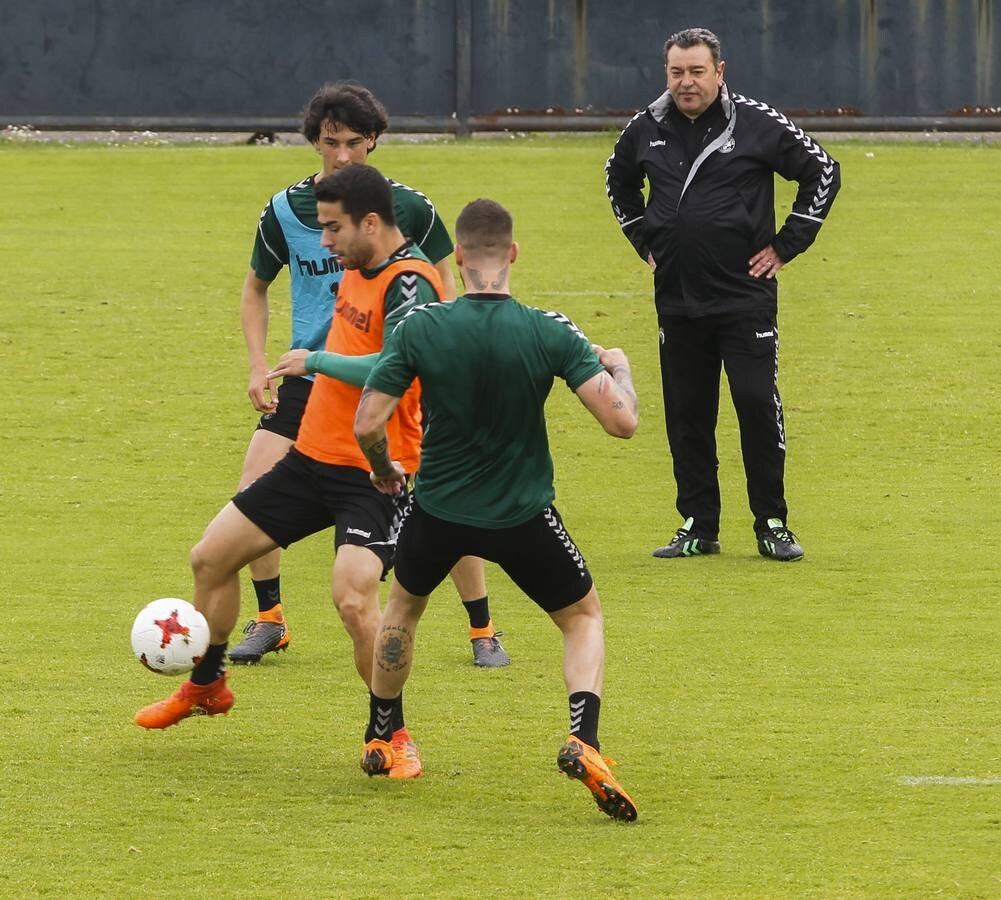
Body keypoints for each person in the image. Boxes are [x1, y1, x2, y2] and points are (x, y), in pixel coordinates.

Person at [135, 165, 470, 777]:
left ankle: (390, 733)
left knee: (352, 596)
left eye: (333, 228)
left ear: (372, 222)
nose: (324, 242)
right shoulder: (355, 264)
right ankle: (207, 685)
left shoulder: (412, 284)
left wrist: (311, 359)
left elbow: (393, 367)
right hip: (312, 459)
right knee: (210, 557)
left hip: (377, 473)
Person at [352, 198, 640, 819]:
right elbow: (623, 423)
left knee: (403, 609)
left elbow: (367, 421)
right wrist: (620, 367)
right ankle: (582, 739)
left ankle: (384, 735)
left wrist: (383, 471)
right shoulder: (549, 330)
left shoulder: (420, 327)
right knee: (583, 618)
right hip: (521, 514)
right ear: (512, 254)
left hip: (438, 509)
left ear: (457, 256)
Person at [233, 81, 507, 666]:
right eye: (331, 142)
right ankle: (270, 618)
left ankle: (482, 628)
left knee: (441, 495)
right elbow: (255, 288)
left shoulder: (406, 205)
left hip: (395, 377)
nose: (342, 156)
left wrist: (448, 361)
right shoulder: (283, 211)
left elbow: (445, 282)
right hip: (312, 377)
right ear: (313, 142)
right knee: (253, 487)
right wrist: (259, 365)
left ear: (374, 141)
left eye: (355, 143)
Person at [605, 27, 840, 562]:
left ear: (720, 72)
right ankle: (697, 525)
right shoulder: (645, 128)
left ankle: (772, 522)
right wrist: (643, 237)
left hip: (745, 296)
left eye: (696, 71)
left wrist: (786, 245)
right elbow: (618, 182)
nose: (686, 83)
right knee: (688, 413)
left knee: (756, 403)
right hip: (677, 298)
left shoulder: (756, 122)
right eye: (676, 72)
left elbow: (823, 170)